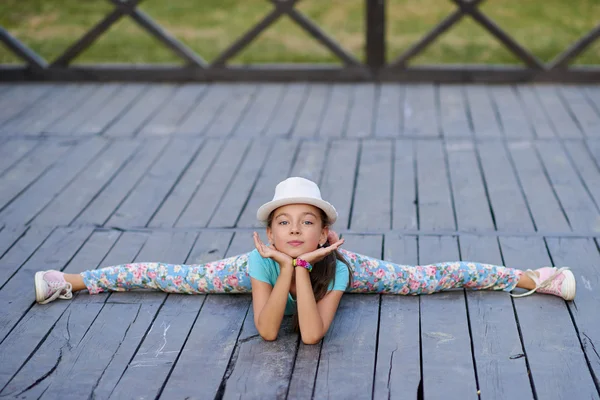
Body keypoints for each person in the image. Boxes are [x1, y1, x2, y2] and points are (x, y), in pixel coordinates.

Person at [34, 177, 576, 344]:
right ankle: (75, 280)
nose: (295, 231)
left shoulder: (342, 265)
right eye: (284, 224)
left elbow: (312, 337)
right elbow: (270, 333)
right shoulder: (256, 261)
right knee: (175, 278)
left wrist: (306, 267)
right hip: (266, 272)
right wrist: (279, 266)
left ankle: (531, 277)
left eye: (307, 222)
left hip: (332, 272)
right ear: (267, 232)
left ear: (327, 231)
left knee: (424, 280)